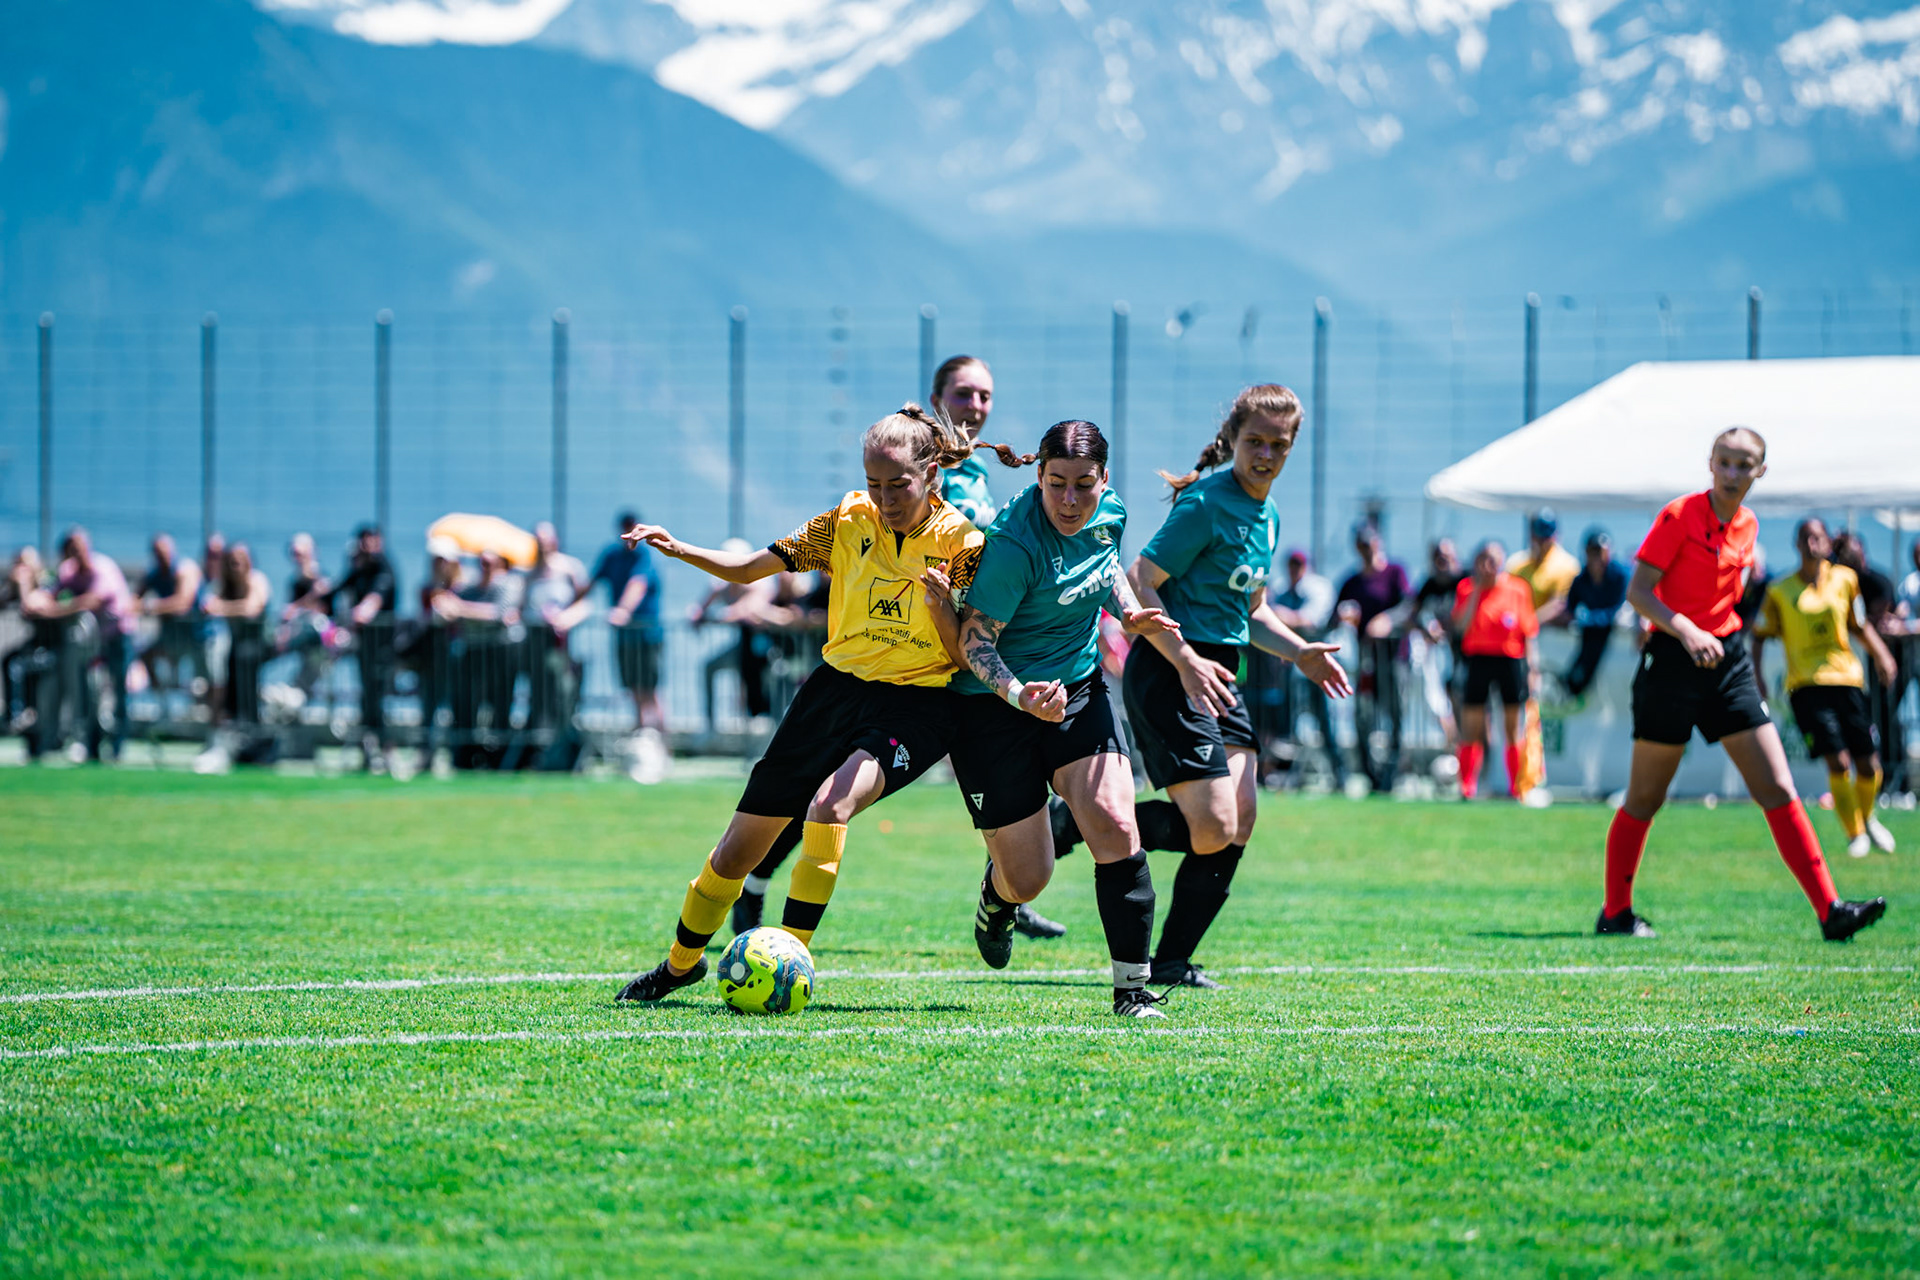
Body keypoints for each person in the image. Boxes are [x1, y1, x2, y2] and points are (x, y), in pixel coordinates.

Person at [614, 404, 985, 1004]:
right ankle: (680, 966)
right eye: (874, 484)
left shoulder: (962, 543)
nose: (885, 498)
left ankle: (789, 959)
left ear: (932, 473)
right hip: (832, 694)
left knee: (831, 805)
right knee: (735, 852)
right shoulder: (847, 519)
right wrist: (679, 548)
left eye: (898, 484)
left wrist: (942, 606)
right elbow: (750, 569)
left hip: (915, 705)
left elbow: (965, 653)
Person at [1064, 385, 1348, 989]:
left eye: (1278, 445)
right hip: (1170, 668)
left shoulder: (1268, 515)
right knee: (1213, 824)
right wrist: (1185, 658)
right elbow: (1141, 577)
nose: (1265, 454)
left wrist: (1300, 652)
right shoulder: (1207, 503)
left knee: (1238, 821)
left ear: (1292, 446)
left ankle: (1171, 962)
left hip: (1219, 674)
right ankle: (1073, 823)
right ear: (1234, 439)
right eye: (1255, 441)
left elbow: (1254, 610)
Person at [1597, 428, 1886, 943]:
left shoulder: (1748, 525)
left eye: (1744, 464)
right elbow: (1638, 592)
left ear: (1761, 471)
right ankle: (1615, 912)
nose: (1733, 473)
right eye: (1725, 462)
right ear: (1710, 463)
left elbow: (1726, 601)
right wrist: (1686, 630)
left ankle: (1831, 911)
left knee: (1777, 787)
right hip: (1672, 663)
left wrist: (1714, 636)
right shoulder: (1678, 516)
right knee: (1645, 797)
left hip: (1726, 664)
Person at [951, 419, 1181, 1019]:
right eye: (1057, 484)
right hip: (993, 708)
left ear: (1104, 479)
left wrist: (1128, 612)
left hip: (1077, 688)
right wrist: (1020, 695)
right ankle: (997, 898)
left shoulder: (1111, 512)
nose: (1071, 500)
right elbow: (974, 640)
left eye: (1084, 484)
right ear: (1039, 476)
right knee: (1029, 878)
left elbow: (1106, 567)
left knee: (1115, 822)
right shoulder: (1014, 544)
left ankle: (1132, 992)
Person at [1752, 518, 1899, 858]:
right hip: (1806, 685)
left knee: (1869, 764)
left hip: (1848, 679)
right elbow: (1758, 636)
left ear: (1828, 543)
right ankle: (1855, 834)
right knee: (1838, 761)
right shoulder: (1780, 590)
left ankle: (1867, 818)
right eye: (1805, 538)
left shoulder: (1845, 580)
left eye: (1817, 537)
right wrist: (1758, 677)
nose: (1811, 544)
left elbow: (1858, 625)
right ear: (1796, 544)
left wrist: (1882, 655)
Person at [1451, 541, 1539, 799]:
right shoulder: (1467, 588)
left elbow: (1528, 632)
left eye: (1493, 559)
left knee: (1512, 726)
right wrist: (1476, 591)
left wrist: (1532, 669)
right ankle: (1466, 786)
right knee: (1472, 724)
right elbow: (1460, 626)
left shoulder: (1518, 588)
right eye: (1484, 559)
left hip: (1509, 659)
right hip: (1478, 658)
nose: (1488, 566)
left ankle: (1516, 787)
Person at [39, 527, 137, 761]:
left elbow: (93, 600)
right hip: (94, 643)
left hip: (118, 638)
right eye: (70, 549)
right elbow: (51, 593)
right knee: (90, 692)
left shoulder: (103, 567)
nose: (76, 553)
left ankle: (117, 747)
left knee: (119, 692)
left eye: (78, 547)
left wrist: (55, 610)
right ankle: (92, 745)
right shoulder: (68, 572)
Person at [1834, 531, 1907, 813]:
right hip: (1856, 670)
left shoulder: (1876, 581)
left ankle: (1895, 784)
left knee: (1886, 719)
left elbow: (1873, 622)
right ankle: (1874, 786)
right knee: (1869, 721)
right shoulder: (1838, 582)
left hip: (1886, 664)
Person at [1336, 523, 1410, 793]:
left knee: (1395, 717)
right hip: (1365, 663)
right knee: (1363, 718)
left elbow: (1408, 606)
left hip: (1393, 660)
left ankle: (1392, 775)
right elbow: (1335, 614)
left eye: (1370, 543)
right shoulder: (1351, 582)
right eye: (1362, 545)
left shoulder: (1395, 573)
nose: (1367, 549)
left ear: (1379, 542)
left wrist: (1387, 620)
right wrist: (1343, 617)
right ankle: (1370, 774)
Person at [1270, 549, 1347, 788]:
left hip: (1320, 667)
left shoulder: (1318, 588)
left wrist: (1275, 614)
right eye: (1291, 564)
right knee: (1291, 723)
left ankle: (1340, 775)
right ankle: (1291, 775)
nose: (1294, 569)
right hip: (1293, 670)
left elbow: (1309, 620)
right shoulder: (1282, 590)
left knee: (1327, 723)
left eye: (1299, 564)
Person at [592, 511, 666, 736]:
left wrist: (622, 611)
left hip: (648, 635)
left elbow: (638, 584)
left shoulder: (645, 556)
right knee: (633, 688)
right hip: (625, 637)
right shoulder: (612, 556)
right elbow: (590, 583)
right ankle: (641, 733)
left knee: (651, 690)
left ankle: (662, 740)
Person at [333, 524, 397, 773]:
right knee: (368, 698)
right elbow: (334, 591)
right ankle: (369, 750)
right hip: (365, 648)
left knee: (379, 699)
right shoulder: (359, 570)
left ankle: (386, 751)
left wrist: (357, 615)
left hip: (383, 647)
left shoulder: (384, 568)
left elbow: (371, 604)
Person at [200, 542, 272, 766]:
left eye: (240, 561)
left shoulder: (257, 580)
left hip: (260, 646)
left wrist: (222, 608)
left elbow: (252, 609)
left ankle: (252, 737)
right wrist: (223, 606)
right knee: (228, 689)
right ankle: (230, 741)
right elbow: (207, 604)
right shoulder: (223, 585)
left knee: (247, 688)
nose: (235, 566)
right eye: (231, 561)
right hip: (236, 651)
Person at [134, 533, 204, 717]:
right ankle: (163, 702)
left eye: (165, 552)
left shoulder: (185, 569)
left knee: (205, 679)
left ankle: (201, 713)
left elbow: (182, 604)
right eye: (158, 553)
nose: (162, 557)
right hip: (170, 636)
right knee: (147, 655)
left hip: (197, 636)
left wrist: (150, 607)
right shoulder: (154, 574)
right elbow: (134, 600)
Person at [931, 355, 1002, 526]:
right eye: (963, 394)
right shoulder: (921, 464)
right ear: (936, 402)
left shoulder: (977, 467)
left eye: (984, 397)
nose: (975, 405)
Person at [1411, 538, 1467, 747]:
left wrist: (1449, 625)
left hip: (1467, 653)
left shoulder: (1466, 580)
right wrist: (1428, 629)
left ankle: (1478, 756)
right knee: (1442, 703)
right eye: (1438, 558)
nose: (1442, 562)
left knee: (1468, 705)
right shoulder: (1429, 584)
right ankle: (1457, 749)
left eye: (1446, 557)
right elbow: (1413, 613)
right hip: (1439, 657)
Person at [1562, 529, 1629, 700]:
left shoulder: (1620, 574)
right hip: (1589, 632)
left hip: (1613, 632)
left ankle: (1576, 687)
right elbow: (1569, 607)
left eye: (1601, 552)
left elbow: (1620, 608)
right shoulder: (1581, 578)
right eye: (1593, 552)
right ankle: (1574, 687)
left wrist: (1591, 619)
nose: (1597, 557)